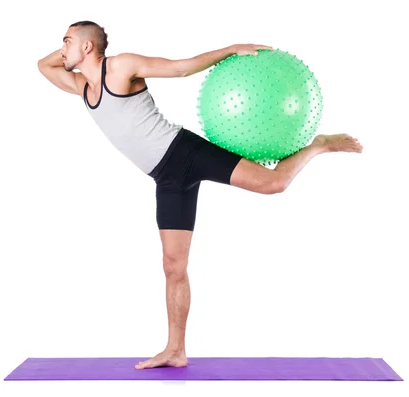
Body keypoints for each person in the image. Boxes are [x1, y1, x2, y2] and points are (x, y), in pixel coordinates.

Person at [37, 20, 363, 370]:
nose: (61, 48)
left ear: (87, 47)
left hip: (183, 153)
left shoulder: (120, 66)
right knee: (173, 267)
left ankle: (319, 145)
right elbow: (43, 66)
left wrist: (229, 49)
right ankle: (176, 350)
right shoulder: (82, 86)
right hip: (166, 178)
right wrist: (70, 50)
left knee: (274, 183)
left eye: (67, 41)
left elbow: (179, 69)